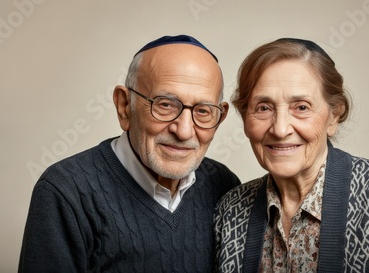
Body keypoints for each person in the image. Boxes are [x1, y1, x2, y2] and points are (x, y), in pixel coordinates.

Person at [214, 38, 369, 273]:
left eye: (301, 107)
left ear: (334, 116)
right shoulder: (231, 210)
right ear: (245, 117)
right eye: (263, 108)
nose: (280, 129)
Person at [19, 34, 241, 273]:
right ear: (125, 106)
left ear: (219, 118)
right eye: (165, 104)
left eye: (203, 111)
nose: (184, 131)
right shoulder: (66, 190)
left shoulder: (225, 187)